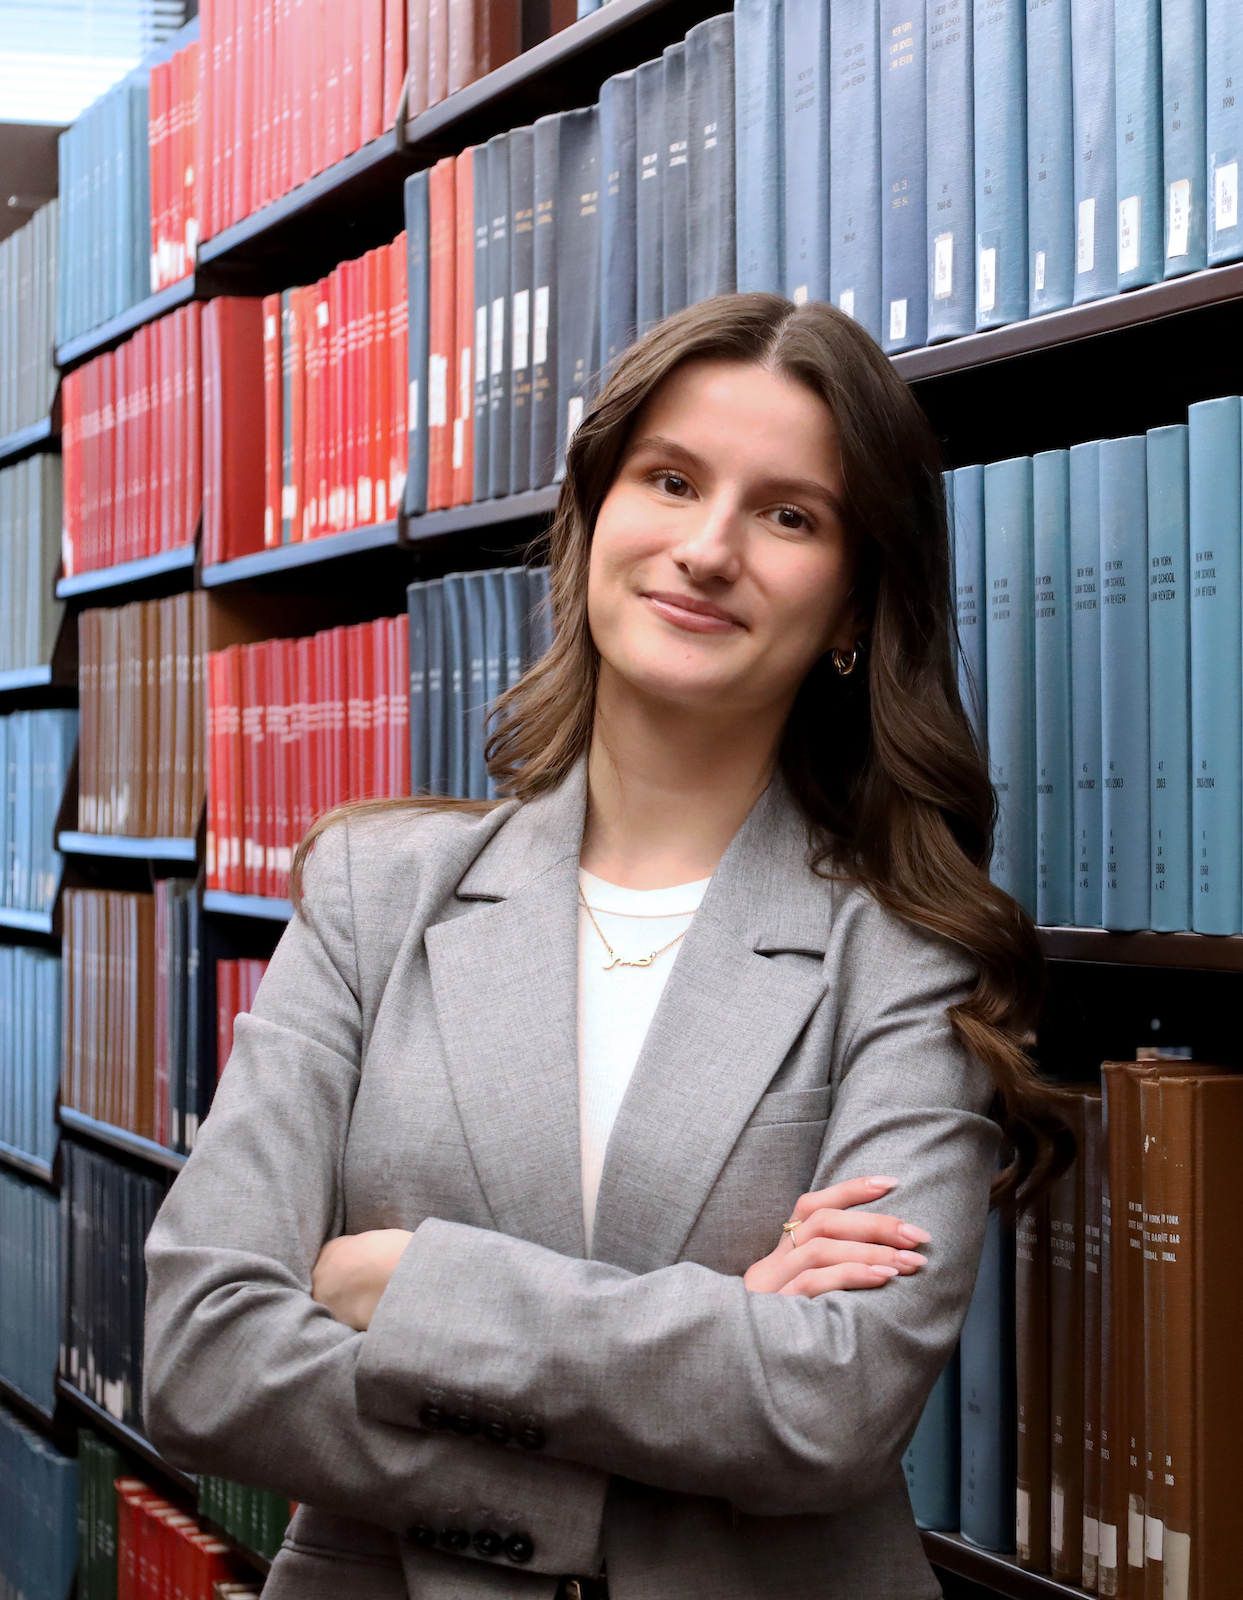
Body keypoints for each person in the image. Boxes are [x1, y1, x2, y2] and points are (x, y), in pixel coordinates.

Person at [143, 295, 1064, 1600]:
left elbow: (832, 1404)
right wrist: (712, 1349)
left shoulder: (913, 957)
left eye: (788, 514)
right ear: (592, 522)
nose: (707, 547)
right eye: (671, 480)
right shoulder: (370, 893)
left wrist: (412, 1289)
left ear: (855, 606)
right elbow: (205, 1351)